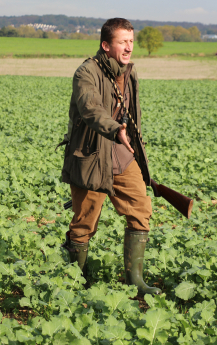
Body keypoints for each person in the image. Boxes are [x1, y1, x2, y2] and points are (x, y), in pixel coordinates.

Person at [61, 18, 161, 296]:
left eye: (131, 41)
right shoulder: (86, 73)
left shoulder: (130, 72)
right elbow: (90, 108)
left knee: (141, 211)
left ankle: (136, 282)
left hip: (123, 156)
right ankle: (74, 283)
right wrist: (115, 129)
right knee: (84, 223)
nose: (129, 47)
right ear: (106, 45)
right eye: (122, 42)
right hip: (92, 156)